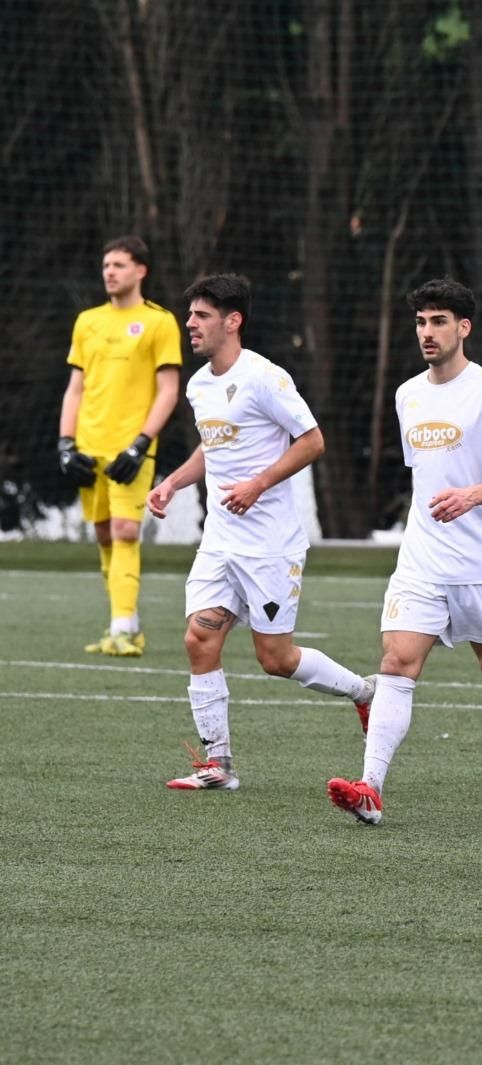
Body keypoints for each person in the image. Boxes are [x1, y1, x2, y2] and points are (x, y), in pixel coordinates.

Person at [148, 273, 373, 791]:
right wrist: (174, 483)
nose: (191, 324)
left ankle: (364, 692)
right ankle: (218, 765)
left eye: (201, 316)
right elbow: (215, 444)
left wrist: (258, 483)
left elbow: (312, 440)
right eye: (190, 316)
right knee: (199, 638)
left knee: (276, 659)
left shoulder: (265, 378)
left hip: (270, 542)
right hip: (221, 540)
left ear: (233, 321)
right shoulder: (200, 384)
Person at [327, 279, 482, 827]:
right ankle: (370, 789)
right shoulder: (407, 395)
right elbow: (425, 477)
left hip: (480, 565)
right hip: (421, 559)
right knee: (396, 664)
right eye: (421, 321)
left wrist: (472, 495)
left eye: (439, 321)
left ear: (463, 328)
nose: (427, 332)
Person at [58, 236, 182, 657]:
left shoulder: (160, 321)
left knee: (126, 531)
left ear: (140, 270)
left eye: (119, 265)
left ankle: (123, 628)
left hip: (132, 447)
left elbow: (168, 390)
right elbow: (75, 388)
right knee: (104, 536)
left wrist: (141, 443)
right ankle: (124, 619)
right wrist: (65, 443)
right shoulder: (87, 321)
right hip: (89, 446)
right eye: (106, 264)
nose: (110, 271)